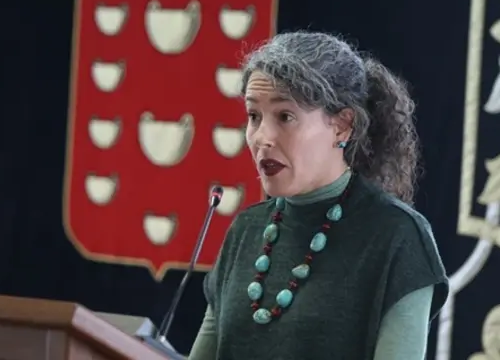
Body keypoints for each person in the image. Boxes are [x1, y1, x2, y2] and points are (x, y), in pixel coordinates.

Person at [188, 31, 448, 359]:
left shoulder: (398, 237)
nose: (262, 138)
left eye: (285, 117)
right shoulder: (245, 230)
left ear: (342, 126)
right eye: (254, 116)